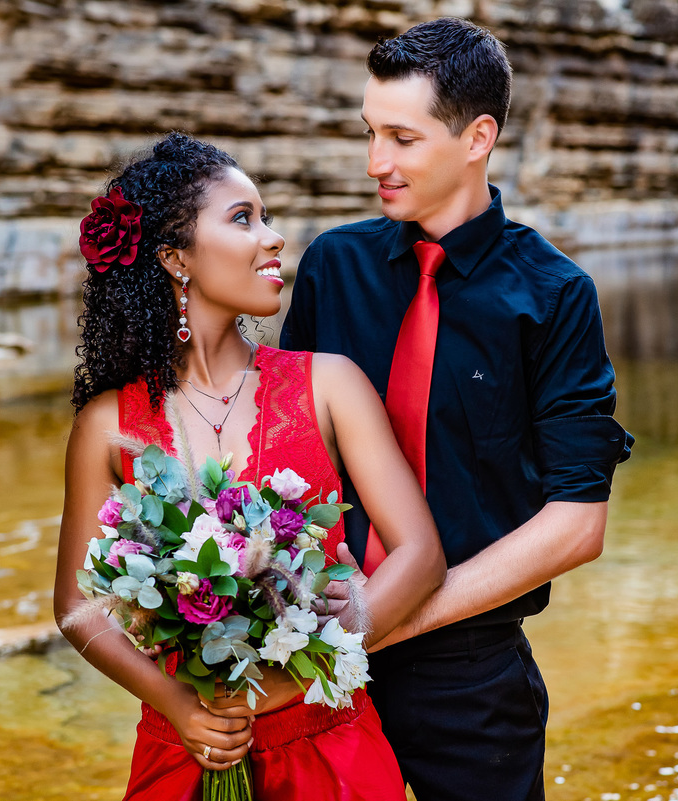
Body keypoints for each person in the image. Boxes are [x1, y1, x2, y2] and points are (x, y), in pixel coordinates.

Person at [281, 17, 633, 801]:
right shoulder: (333, 266)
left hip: (470, 682)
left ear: (478, 137)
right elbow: (285, 457)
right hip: (314, 661)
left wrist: (392, 614)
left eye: (402, 139)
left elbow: (577, 523)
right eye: (370, 133)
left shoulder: (556, 296)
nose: (377, 162)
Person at [53, 132, 446, 801]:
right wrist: (179, 704)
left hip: (332, 743)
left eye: (266, 217)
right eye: (244, 219)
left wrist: (329, 647)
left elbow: (422, 554)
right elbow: (76, 607)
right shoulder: (106, 427)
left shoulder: (331, 384)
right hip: (185, 751)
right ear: (176, 258)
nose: (274, 238)